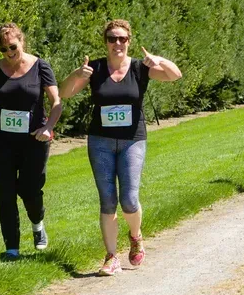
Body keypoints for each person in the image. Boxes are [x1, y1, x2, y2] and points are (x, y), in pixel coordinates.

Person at [60, 19, 182, 276]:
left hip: (132, 140)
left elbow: (175, 75)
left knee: (129, 199)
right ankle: (111, 256)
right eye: (112, 39)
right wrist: (76, 74)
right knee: (107, 200)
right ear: (105, 42)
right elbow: (66, 93)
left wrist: (157, 60)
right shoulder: (94, 68)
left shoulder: (140, 67)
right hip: (100, 141)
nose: (117, 43)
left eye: (122, 39)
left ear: (129, 42)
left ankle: (136, 236)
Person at [0, 23, 62, 260]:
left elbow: (56, 102)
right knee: (5, 193)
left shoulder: (40, 67)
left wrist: (48, 127)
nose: (8, 52)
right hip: (2, 141)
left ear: (21, 41)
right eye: (3, 49)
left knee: (29, 188)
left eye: (12, 46)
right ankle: (12, 248)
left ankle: (37, 225)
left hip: (34, 140)